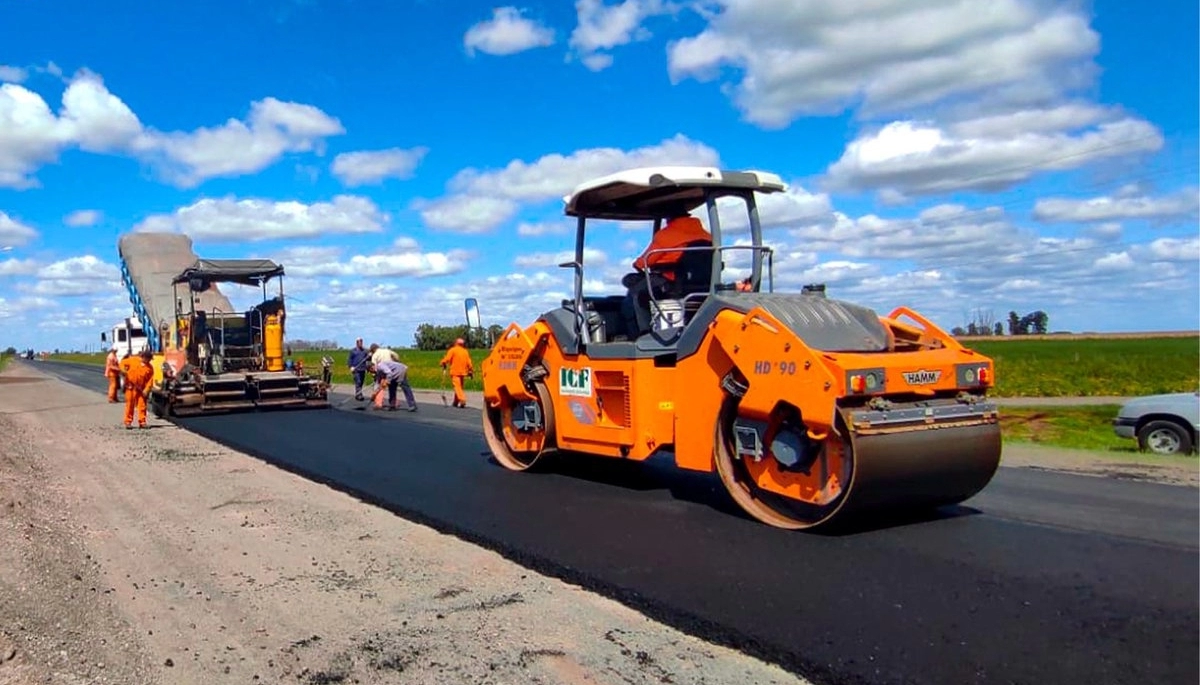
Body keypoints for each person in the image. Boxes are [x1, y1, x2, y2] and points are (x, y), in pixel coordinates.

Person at [621, 214, 713, 335]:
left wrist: (641, 264)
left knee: (635, 292)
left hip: (672, 283)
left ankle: (641, 334)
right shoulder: (707, 236)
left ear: (669, 218)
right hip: (705, 286)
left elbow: (643, 263)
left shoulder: (666, 234)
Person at [120, 348, 155, 429]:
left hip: (141, 389)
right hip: (130, 387)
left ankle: (142, 422)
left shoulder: (150, 368)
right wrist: (123, 370)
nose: (149, 361)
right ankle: (128, 422)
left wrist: (146, 390)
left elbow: (150, 380)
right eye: (148, 359)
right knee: (130, 405)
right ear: (143, 357)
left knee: (142, 406)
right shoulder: (133, 360)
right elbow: (122, 363)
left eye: (150, 359)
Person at [439, 338, 474, 408]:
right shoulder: (465, 352)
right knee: (459, 387)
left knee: (457, 387)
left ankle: (462, 400)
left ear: (456, 343)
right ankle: (456, 402)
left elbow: (447, 358)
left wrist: (442, 362)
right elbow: (469, 362)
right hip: (463, 372)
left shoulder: (453, 350)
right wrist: (470, 371)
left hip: (455, 372)